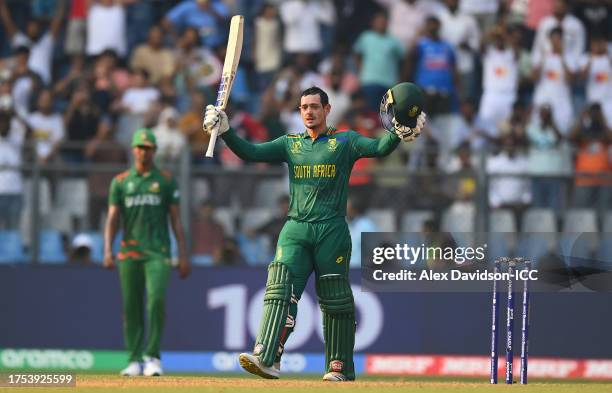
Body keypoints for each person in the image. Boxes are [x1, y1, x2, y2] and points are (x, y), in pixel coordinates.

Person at [203, 84, 426, 381]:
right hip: (296, 228)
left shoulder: (345, 141)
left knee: (335, 301)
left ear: (327, 110)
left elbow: (379, 148)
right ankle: (267, 357)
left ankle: (339, 368)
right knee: (280, 286)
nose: (309, 112)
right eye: (304, 107)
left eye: (315, 107)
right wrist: (226, 130)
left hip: (331, 230)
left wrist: (399, 131)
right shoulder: (290, 143)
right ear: (299, 111)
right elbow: (251, 153)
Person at [103, 128, 191, 377]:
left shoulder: (164, 180)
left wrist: (183, 255)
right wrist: (107, 250)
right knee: (131, 306)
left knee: (155, 301)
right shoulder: (120, 182)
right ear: (133, 150)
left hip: (158, 253)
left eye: (149, 148)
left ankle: (152, 357)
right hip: (129, 252)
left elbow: (176, 221)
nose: (144, 152)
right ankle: (133, 359)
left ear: (154, 151)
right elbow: (112, 219)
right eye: (140, 147)